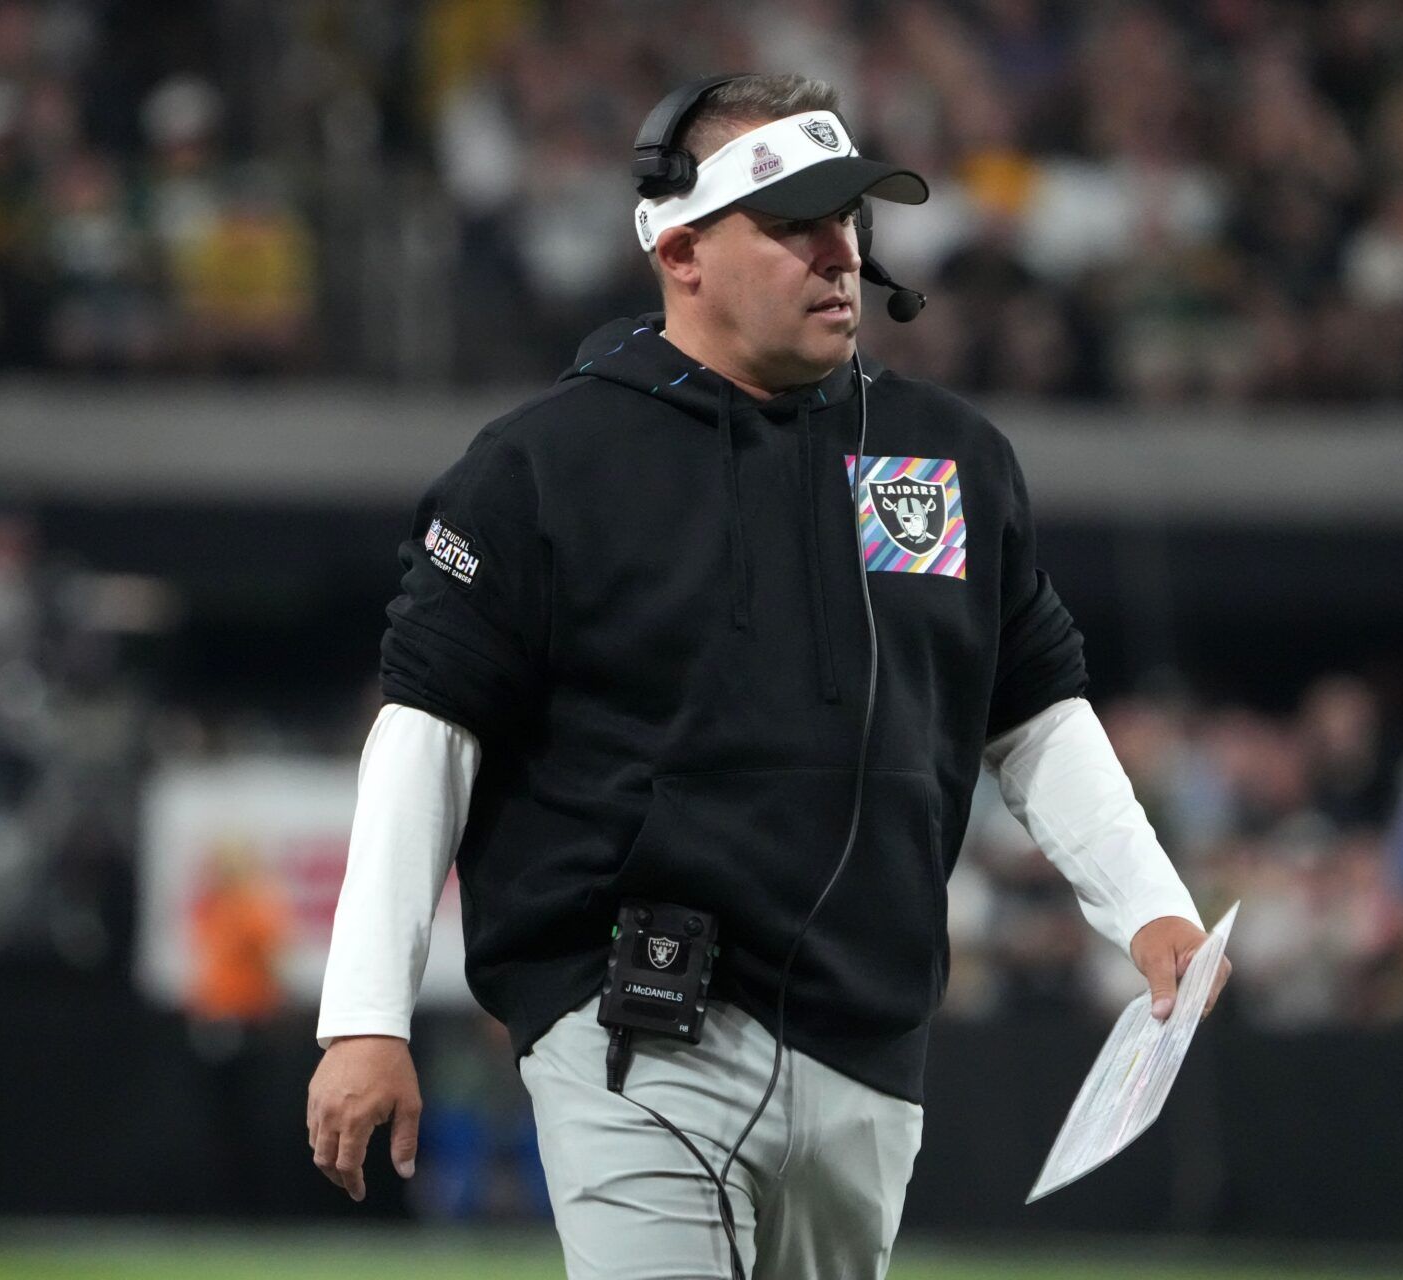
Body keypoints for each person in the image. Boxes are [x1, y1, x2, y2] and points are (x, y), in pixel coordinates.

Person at [306, 73, 1229, 1279]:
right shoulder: (545, 466)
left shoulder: (943, 458)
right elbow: (426, 733)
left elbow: (1034, 706)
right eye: (795, 222)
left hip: (874, 1037)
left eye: (848, 219)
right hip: (633, 1021)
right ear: (680, 248)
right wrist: (364, 1015)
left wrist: (1151, 902)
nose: (838, 253)